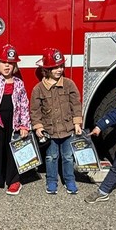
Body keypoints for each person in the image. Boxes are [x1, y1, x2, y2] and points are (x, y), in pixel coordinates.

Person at [29, 48, 83, 195]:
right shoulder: (38, 89)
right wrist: (38, 127)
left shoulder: (69, 84)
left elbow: (76, 104)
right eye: (55, 67)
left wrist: (77, 123)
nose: (59, 70)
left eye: (61, 66)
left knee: (68, 156)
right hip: (50, 131)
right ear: (46, 69)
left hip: (67, 129)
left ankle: (69, 180)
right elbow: (35, 110)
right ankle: (52, 181)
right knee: (51, 157)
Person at [0, 44, 31, 195]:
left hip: (14, 122)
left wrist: (24, 125)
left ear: (14, 66)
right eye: (4, 63)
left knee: (13, 150)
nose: (7, 66)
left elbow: (23, 105)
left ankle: (14, 180)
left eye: (10, 63)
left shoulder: (19, 84)